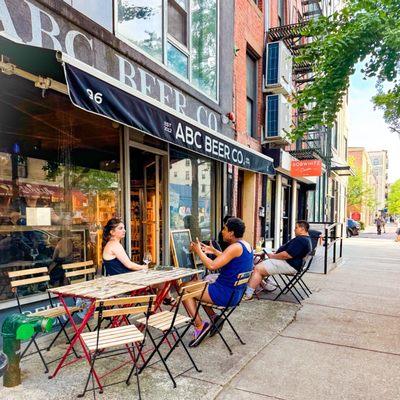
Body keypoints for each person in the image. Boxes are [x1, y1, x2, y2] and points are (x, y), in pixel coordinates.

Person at [183, 217, 253, 347]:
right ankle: (215, 318)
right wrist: (213, 251)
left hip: (224, 294)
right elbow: (231, 259)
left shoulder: (234, 247)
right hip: (234, 294)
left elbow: (212, 266)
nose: (222, 232)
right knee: (200, 283)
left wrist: (198, 251)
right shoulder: (245, 245)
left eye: (225, 229)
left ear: (231, 233)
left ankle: (199, 326)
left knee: (184, 289)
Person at [244, 220, 312, 300]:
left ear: (302, 229)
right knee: (259, 263)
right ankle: (263, 285)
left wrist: (273, 256)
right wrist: (275, 254)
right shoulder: (306, 239)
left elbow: (287, 255)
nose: (294, 229)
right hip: (292, 264)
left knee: (258, 268)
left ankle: (248, 295)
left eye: (296, 228)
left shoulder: (301, 240)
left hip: (289, 265)